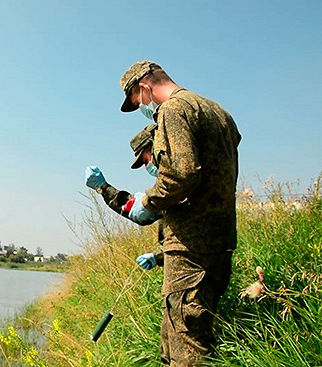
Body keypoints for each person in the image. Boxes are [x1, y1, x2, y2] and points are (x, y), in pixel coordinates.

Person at [119, 60, 241, 366]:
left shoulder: (174, 110)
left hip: (190, 243)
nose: (143, 108)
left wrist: (149, 202)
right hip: (220, 240)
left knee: (187, 341)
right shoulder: (218, 112)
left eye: (138, 102)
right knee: (190, 329)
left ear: (144, 88)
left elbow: (181, 175)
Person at [85, 124, 164, 270]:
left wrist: (103, 187)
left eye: (145, 159)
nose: (147, 165)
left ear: (156, 148)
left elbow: (139, 211)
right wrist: (157, 257)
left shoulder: (177, 184)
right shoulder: (176, 183)